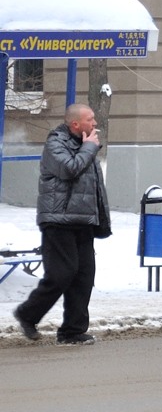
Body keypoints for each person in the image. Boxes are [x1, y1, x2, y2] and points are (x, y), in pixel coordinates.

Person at [13, 103, 109, 345]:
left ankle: (73, 331)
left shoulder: (85, 145)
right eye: (90, 119)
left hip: (83, 221)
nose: (95, 123)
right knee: (61, 274)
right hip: (58, 220)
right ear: (75, 124)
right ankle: (27, 314)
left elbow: (94, 188)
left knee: (84, 276)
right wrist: (89, 148)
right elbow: (69, 169)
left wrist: (99, 219)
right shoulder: (56, 143)